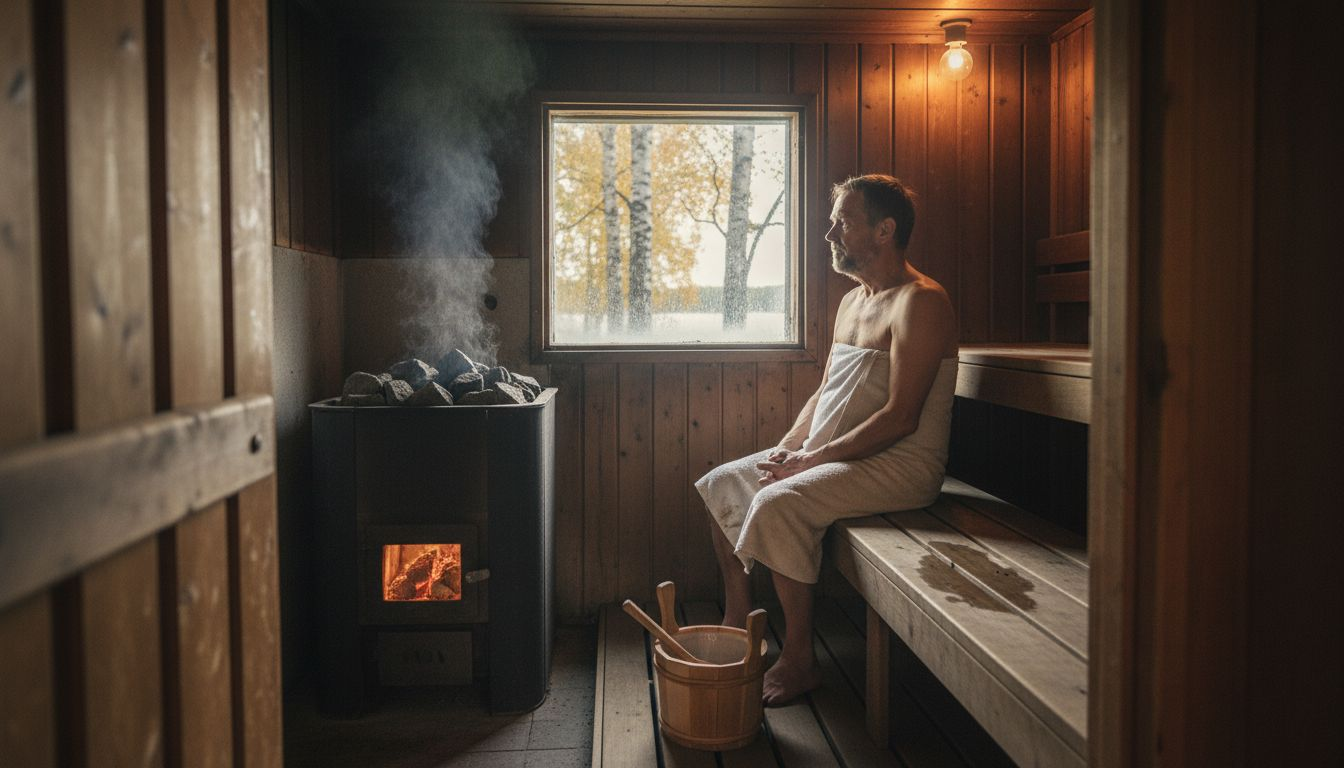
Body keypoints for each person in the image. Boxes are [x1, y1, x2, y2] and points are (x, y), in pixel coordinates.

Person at [695, 174, 959, 706]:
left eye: (843, 221)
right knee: (723, 481)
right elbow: (825, 394)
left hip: (900, 463)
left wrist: (811, 460)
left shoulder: (921, 302)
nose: (830, 232)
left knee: (777, 503)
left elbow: (901, 417)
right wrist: (789, 447)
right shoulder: (852, 302)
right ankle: (738, 617)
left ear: (884, 230)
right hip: (837, 453)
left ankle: (798, 660)